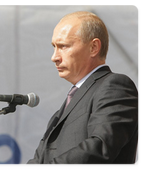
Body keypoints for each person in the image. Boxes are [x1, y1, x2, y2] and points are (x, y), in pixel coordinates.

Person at [27, 11, 139, 165]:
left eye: (63, 46)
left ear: (93, 47)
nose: (54, 57)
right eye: (54, 47)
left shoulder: (115, 86)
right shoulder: (64, 108)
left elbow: (100, 147)